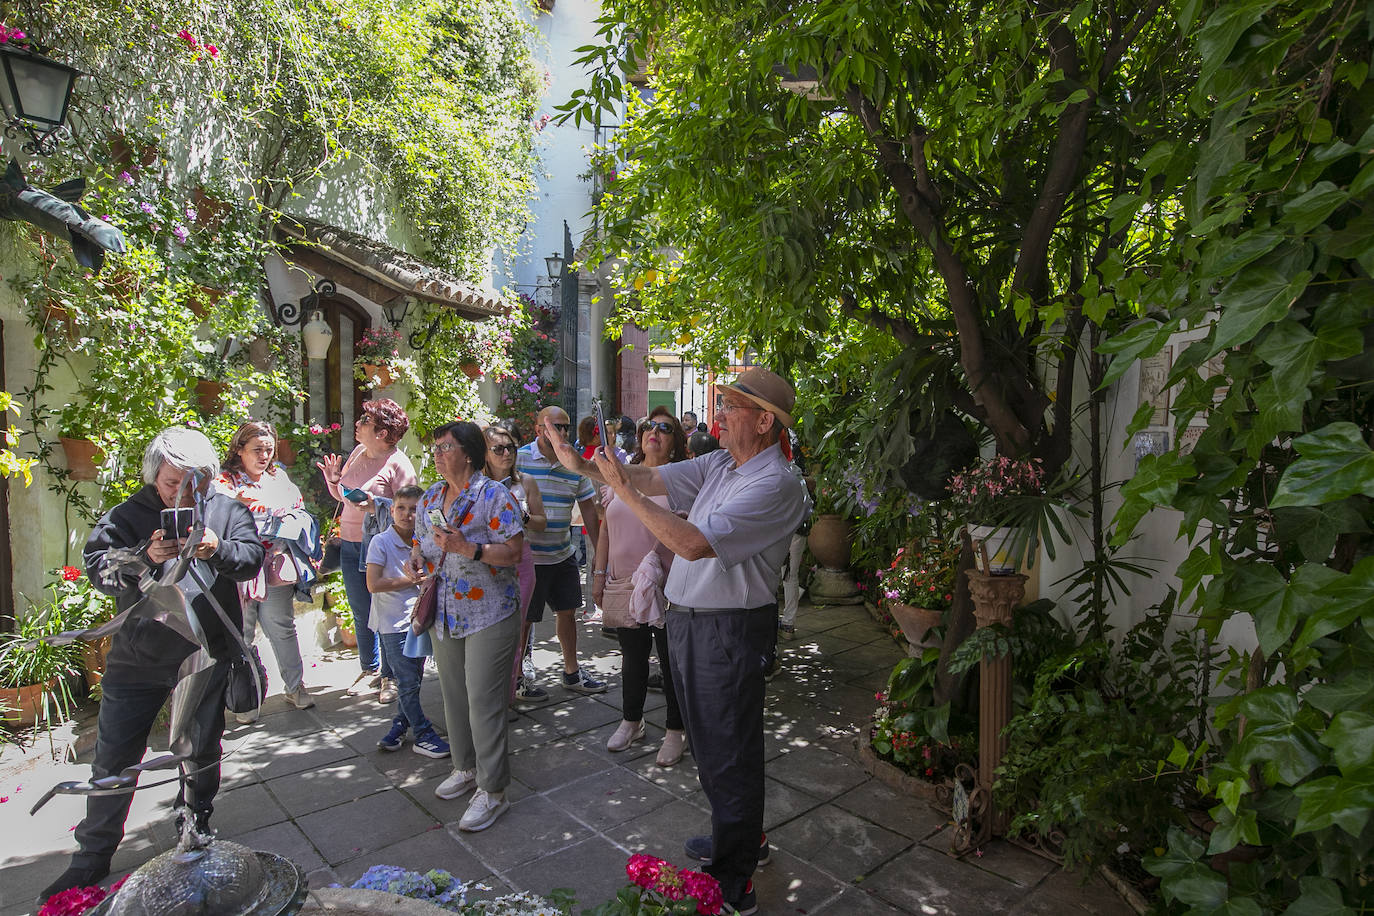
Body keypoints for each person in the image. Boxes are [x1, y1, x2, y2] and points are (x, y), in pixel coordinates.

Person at [543, 367, 810, 916]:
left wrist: (619, 488)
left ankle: (734, 882)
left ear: (764, 422)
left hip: (729, 628)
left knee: (729, 749)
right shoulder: (721, 464)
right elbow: (646, 478)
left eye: (732, 406)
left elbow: (691, 543)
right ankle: (741, 838)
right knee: (712, 747)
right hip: (690, 621)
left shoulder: (776, 483)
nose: (720, 414)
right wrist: (586, 465)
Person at [39, 428, 265, 905]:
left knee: (200, 750)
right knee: (113, 757)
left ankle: (195, 829)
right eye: (170, 483)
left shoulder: (226, 510)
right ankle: (92, 855)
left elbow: (250, 560)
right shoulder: (127, 515)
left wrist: (215, 548)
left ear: (208, 477)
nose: (182, 493)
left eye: (193, 484)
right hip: (138, 659)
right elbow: (99, 569)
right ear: (154, 476)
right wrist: (143, 557)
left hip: (204, 657)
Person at [413, 421, 525, 831]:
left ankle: (493, 792)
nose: (438, 454)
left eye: (446, 447)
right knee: (454, 696)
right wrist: (416, 560)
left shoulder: (494, 495)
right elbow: (421, 544)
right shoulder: (431, 496)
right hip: (445, 612)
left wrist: (468, 547)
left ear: (469, 452)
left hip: (490, 611)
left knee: (483, 701)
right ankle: (465, 767)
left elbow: (513, 553)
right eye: (436, 448)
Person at [593, 408, 688, 766]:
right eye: (649, 426)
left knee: (670, 661)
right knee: (632, 657)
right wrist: (598, 574)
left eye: (665, 428)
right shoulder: (621, 477)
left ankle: (676, 729)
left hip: (667, 586)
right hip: (623, 583)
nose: (654, 432)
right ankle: (631, 721)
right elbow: (605, 529)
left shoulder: (681, 482)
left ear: (675, 442)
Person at [214, 421, 318, 720]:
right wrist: (241, 504)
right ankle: (246, 698)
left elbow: (296, 506)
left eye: (269, 450)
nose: (264, 456)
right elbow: (215, 513)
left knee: (281, 627)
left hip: (273, 566)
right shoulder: (225, 481)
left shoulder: (277, 476)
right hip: (237, 568)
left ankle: (295, 687)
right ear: (240, 450)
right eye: (257, 449)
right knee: (242, 633)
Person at [318, 398, 417, 703]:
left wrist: (377, 505)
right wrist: (334, 481)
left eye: (365, 421)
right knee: (361, 610)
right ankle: (368, 669)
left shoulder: (399, 464)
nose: (358, 424)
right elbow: (344, 496)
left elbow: (411, 510)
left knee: (384, 610)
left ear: (382, 433)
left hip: (380, 546)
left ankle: (390, 676)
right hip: (349, 543)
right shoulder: (359, 452)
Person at [515, 405, 604, 698]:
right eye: (556, 426)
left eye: (566, 426)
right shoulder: (520, 458)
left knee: (568, 612)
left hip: (562, 553)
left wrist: (600, 552)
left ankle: (571, 671)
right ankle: (517, 678)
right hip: (529, 558)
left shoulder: (572, 462)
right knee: (525, 620)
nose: (562, 432)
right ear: (539, 429)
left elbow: (588, 509)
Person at [367, 485, 449, 758]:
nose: (407, 514)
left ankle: (399, 727)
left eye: (414, 509)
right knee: (407, 682)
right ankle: (423, 733)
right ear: (391, 510)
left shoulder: (426, 541)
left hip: (420, 620)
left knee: (413, 679)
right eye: (401, 508)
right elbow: (373, 584)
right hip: (393, 624)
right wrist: (411, 580)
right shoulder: (381, 542)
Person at [483, 425, 546, 700]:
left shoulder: (526, 482)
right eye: (498, 449)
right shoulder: (476, 485)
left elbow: (542, 522)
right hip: (486, 561)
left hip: (521, 560)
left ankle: (510, 692)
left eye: (510, 448)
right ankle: (490, 694)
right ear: (485, 454)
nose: (507, 453)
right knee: (488, 629)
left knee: (516, 628)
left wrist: (524, 516)